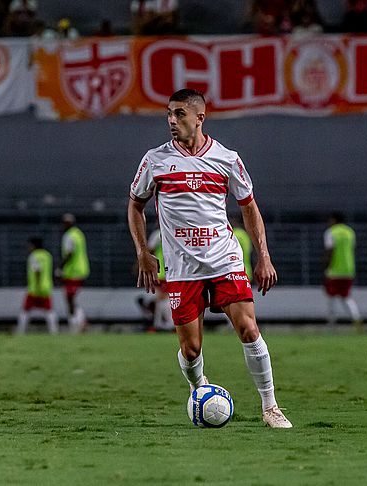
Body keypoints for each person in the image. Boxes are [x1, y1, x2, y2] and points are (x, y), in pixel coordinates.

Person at [128, 88, 292, 428]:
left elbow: (249, 207)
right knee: (191, 350)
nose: (172, 121)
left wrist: (264, 255)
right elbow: (135, 205)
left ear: (199, 117)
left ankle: (270, 407)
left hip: (224, 260)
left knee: (248, 329)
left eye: (179, 114)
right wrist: (143, 252)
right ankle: (200, 389)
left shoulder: (227, 159)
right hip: (182, 267)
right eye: (168, 115)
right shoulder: (155, 160)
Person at [322, 212, 362, 329]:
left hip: (334, 269)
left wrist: (326, 266)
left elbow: (330, 250)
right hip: (348, 269)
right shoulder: (350, 232)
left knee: (331, 297)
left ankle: (331, 323)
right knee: (346, 296)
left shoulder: (331, 232)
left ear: (334, 220)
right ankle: (356, 319)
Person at [17, 237, 58, 334]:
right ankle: (54, 331)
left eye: (30, 245)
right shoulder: (47, 255)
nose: (29, 247)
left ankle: (20, 331)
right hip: (46, 288)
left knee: (25, 310)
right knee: (49, 311)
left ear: (34, 245)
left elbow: (37, 271)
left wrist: (38, 284)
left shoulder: (34, 256)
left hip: (35, 288)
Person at [60, 213, 90, 333]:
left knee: (70, 299)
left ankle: (76, 324)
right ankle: (79, 321)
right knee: (73, 299)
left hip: (72, 272)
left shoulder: (69, 236)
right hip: (81, 270)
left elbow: (69, 253)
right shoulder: (79, 234)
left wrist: (60, 267)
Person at [147, 227, 174, 331]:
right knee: (164, 298)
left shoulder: (171, 232)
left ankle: (158, 324)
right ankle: (168, 325)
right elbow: (149, 250)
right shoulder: (157, 234)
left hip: (170, 272)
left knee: (164, 299)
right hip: (162, 273)